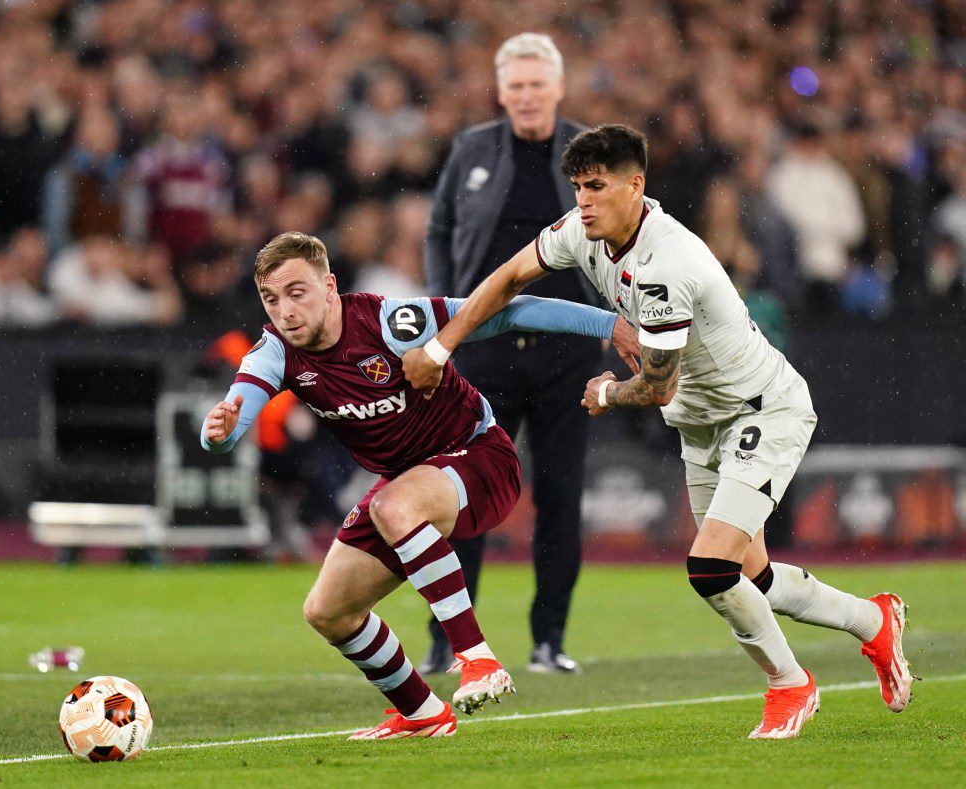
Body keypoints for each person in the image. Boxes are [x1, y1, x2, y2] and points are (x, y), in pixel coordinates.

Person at [402, 125, 912, 740]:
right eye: (578, 187)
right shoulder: (579, 232)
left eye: (597, 187)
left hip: (761, 409)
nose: (583, 200)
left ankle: (789, 684)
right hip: (700, 422)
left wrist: (607, 392)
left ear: (636, 187)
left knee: (711, 567)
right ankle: (873, 621)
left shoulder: (665, 264)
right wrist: (440, 346)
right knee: (749, 576)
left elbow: (656, 386)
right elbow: (508, 277)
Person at [201, 231, 637, 740]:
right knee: (328, 611)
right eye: (271, 299)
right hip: (406, 485)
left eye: (297, 293)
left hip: (480, 458)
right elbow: (237, 413)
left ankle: (477, 659)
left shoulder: (392, 322)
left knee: (392, 506)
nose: (285, 311)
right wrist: (220, 433)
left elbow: (509, 308)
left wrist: (609, 323)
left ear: (329, 287)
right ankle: (422, 713)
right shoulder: (275, 351)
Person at [422, 31, 601, 675]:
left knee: (560, 497)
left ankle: (549, 641)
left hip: (568, 352)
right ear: (500, 91)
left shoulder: (588, 151)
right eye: (516, 86)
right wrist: (447, 310)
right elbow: (439, 231)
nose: (526, 96)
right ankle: (451, 641)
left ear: (558, 87)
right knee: (463, 497)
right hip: (484, 349)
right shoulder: (471, 148)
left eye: (536, 84)